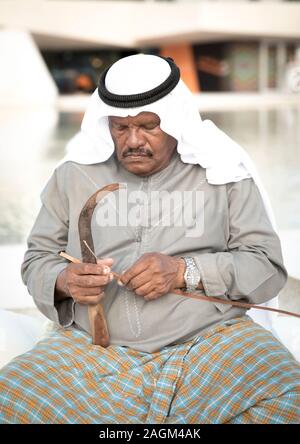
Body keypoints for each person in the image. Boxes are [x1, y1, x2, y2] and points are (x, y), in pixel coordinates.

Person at [0, 54, 299, 424]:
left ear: (174, 121)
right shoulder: (74, 175)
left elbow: (266, 267)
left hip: (212, 343)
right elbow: (37, 260)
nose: (133, 141)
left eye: (148, 126)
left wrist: (183, 271)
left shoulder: (223, 173)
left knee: (289, 397)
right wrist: (63, 281)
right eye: (120, 128)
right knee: (9, 399)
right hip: (91, 350)